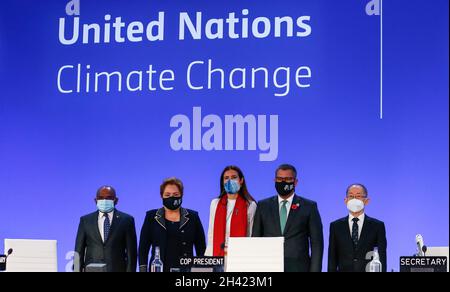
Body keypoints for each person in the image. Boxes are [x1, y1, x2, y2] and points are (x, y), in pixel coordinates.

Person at [252, 164, 324, 272]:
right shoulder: (263, 205)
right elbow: (256, 239)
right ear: (274, 180)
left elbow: (317, 243)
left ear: (295, 182)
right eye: (279, 179)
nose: (283, 182)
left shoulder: (309, 206)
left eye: (288, 179)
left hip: (299, 268)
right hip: (269, 267)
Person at [139, 177, 206, 272]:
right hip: (158, 269)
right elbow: (143, 248)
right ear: (161, 196)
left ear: (181, 195)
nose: (171, 197)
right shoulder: (151, 217)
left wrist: (202, 270)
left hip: (185, 272)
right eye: (167, 195)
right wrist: (143, 269)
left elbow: (201, 248)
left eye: (175, 194)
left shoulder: (193, 217)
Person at [74, 186, 137, 272]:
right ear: (95, 200)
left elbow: (131, 253)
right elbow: (78, 251)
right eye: (101, 198)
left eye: (109, 198)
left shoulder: (127, 220)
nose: (104, 201)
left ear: (116, 200)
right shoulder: (85, 220)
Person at [328, 184, 387, 272]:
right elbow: (332, 258)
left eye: (358, 196)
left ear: (366, 201)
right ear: (345, 200)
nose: (354, 199)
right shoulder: (336, 226)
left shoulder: (377, 226)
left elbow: (382, 257)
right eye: (351, 196)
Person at [205, 166, 257, 257]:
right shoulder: (215, 203)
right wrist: (209, 257)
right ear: (222, 182)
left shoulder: (250, 205)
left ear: (241, 181)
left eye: (234, 177)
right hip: (217, 255)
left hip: (240, 256)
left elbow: (251, 235)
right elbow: (211, 233)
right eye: (226, 178)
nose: (230, 181)